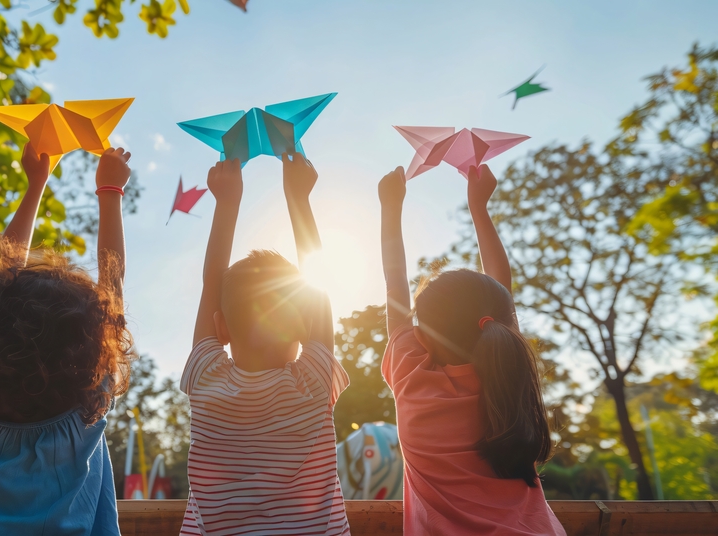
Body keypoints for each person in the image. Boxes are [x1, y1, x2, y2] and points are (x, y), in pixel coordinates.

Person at [0, 145, 135, 536]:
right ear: (93, 342)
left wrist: (35, 184)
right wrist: (109, 190)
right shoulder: (85, 412)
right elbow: (114, 286)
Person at [378, 164, 565, 535]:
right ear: (499, 321)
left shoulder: (413, 381)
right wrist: (479, 206)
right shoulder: (510, 377)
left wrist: (390, 207)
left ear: (425, 338)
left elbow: (395, 284)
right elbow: (499, 298)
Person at [179, 153, 351, 535]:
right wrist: (298, 197)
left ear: (220, 328)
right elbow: (319, 282)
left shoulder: (206, 379)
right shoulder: (313, 384)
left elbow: (211, 286)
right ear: (304, 325)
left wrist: (227, 202)